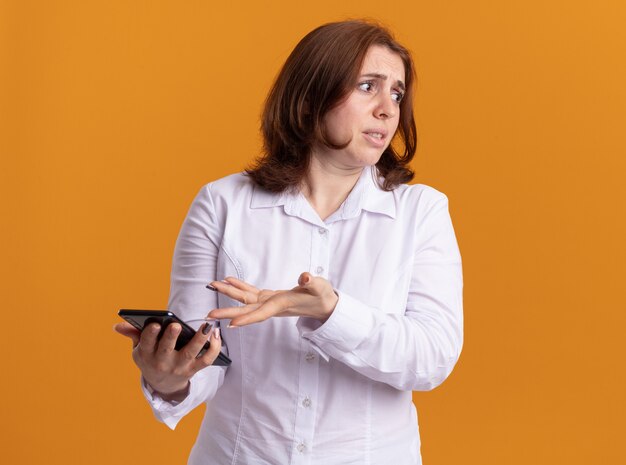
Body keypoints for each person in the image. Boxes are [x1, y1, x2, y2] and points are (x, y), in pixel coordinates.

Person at [115, 19, 463, 465]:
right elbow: (202, 358)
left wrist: (332, 312)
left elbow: (431, 359)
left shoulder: (422, 212)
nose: (387, 109)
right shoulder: (221, 204)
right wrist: (169, 377)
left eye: (396, 93)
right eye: (367, 86)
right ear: (310, 95)